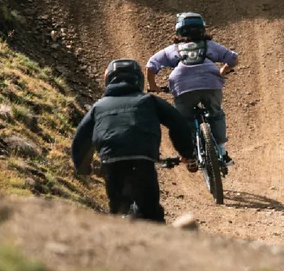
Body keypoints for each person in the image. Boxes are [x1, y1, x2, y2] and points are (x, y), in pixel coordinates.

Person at [69, 57, 196, 222]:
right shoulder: (149, 100)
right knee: (151, 213)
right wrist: (186, 152)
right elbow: (178, 124)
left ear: (107, 79)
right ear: (139, 79)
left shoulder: (99, 106)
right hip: (142, 159)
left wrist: (84, 168)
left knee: (118, 209)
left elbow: (80, 139)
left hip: (111, 160)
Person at [146, 12, 240, 166]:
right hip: (211, 83)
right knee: (216, 114)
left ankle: (190, 154)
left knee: (184, 121)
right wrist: (223, 71)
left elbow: (151, 65)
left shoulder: (173, 49)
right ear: (203, 29)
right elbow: (233, 59)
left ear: (179, 31)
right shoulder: (210, 45)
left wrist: (153, 86)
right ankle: (222, 152)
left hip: (182, 86)